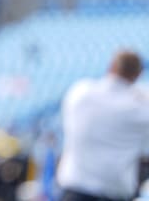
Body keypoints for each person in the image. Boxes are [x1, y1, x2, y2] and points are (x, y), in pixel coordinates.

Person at [57, 50, 149, 201]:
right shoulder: (140, 110)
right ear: (137, 75)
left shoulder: (80, 93)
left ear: (112, 66)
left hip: (74, 189)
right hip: (113, 193)